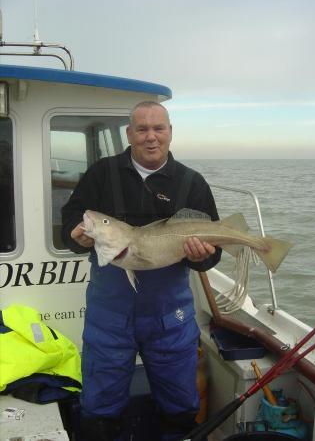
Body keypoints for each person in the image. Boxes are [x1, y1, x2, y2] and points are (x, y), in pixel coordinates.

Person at [61, 101, 221, 441]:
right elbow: (71, 223)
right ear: (129, 134)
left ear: (170, 133)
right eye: (142, 129)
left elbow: (211, 257)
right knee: (98, 412)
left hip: (169, 315)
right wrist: (78, 236)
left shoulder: (192, 183)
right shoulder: (101, 174)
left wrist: (200, 256)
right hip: (109, 313)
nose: (151, 137)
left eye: (158, 129)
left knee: (180, 408)